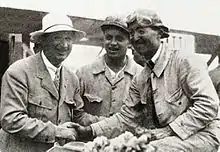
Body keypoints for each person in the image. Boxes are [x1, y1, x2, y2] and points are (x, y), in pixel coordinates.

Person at [73, 9, 220, 152]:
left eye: (141, 31)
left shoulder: (185, 62)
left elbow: (208, 105)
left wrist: (168, 131)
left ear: (160, 33)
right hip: (168, 138)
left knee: (147, 149)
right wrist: (89, 131)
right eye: (131, 33)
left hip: (202, 134)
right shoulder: (141, 78)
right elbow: (126, 118)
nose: (135, 37)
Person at [0, 13, 101, 152]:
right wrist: (57, 132)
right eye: (57, 38)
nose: (64, 45)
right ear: (43, 41)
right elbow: (11, 120)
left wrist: (104, 124)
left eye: (68, 38)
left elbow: (78, 115)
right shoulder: (19, 72)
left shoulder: (72, 78)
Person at [76, 16, 142, 117]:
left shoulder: (141, 75)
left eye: (119, 39)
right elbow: (76, 114)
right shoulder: (83, 73)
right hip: (91, 132)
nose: (113, 43)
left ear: (129, 42)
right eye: (109, 38)